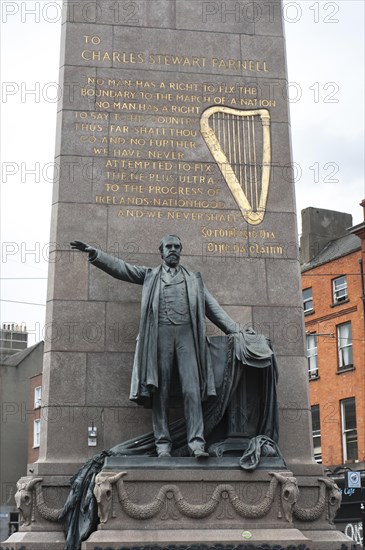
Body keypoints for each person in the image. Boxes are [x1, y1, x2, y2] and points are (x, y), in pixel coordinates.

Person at [71, 235, 239, 458]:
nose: (173, 250)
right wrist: (97, 255)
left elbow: (213, 308)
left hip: (188, 338)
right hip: (159, 337)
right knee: (161, 390)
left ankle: (197, 443)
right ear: (161, 252)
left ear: (181, 251)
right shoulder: (150, 276)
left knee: (192, 390)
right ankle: (162, 444)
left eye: (177, 247)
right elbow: (123, 269)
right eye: (168, 247)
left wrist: (235, 330)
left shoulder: (194, 280)